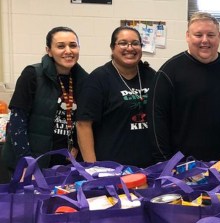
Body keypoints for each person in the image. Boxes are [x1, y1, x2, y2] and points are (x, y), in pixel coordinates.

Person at [150, 12, 220, 162]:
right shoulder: (169, 72)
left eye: (210, 35)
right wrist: (166, 164)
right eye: (198, 35)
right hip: (184, 169)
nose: (205, 40)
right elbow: (157, 122)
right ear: (187, 36)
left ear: (218, 36)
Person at [1, 26, 88, 170]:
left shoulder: (84, 80)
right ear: (49, 51)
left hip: (66, 162)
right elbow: (17, 122)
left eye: (73, 45)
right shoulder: (32, 74)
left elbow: (83, 122)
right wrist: (26, 164)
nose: (68, 51)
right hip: (32, 160)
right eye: (60, 46)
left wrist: (77, 146)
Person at [75, 26, 156, 167]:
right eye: (123, 43)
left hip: (148, 167)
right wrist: (92, 167)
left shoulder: (152, 76)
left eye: (135, 43)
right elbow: (83, 124)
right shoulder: (98, 79)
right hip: (110, 168)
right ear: (112, 48)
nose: (130, 48)